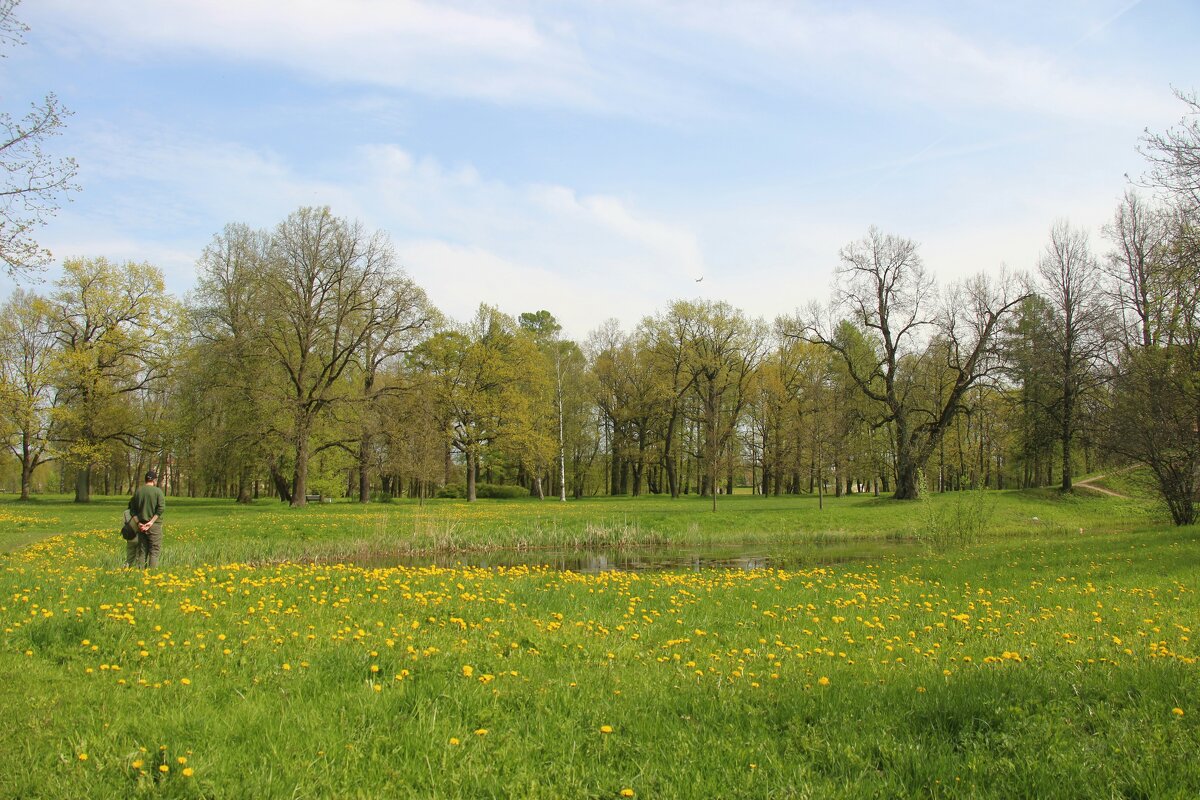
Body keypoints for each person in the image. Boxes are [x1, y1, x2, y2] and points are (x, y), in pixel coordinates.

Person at [126, 470, 166, 568]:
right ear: (154, 480)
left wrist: (139, 523)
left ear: (145, 480)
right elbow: (161, 508)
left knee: (142, 551)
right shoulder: (158, 492)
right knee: (154, 551)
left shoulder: (138, 491)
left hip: (141, 526)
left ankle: (140, 574)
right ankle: (152, 575)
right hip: (154, 526)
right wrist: (151, 522)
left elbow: (132, 509)